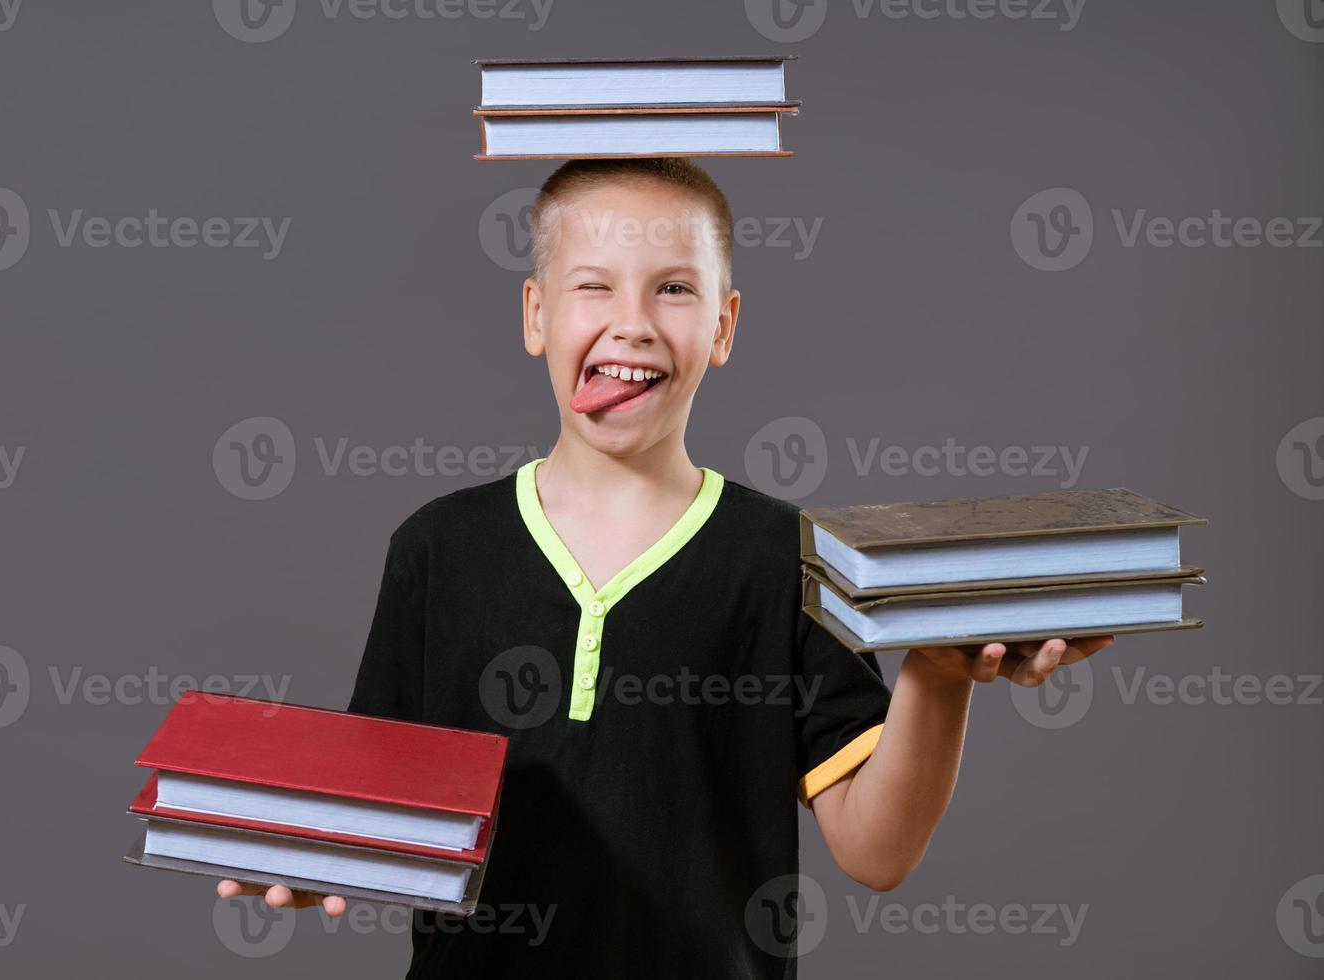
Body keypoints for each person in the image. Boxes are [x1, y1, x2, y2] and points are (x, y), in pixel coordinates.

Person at [217, 157, 1115, 977]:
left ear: (724, 326)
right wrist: (295, 856)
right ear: (537, 315)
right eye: (593, 287)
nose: (633, 324)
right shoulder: (436, 547)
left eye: (674, 289)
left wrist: (939, 674)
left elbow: (877, 853)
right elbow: (369, 813)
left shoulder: (790, 559)